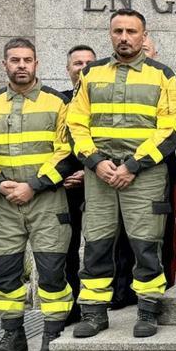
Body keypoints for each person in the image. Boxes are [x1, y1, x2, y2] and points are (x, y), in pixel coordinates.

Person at [67, 8, 176, 339]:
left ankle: (147, 309)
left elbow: (171, 129)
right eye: (118, 31)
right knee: (97, 243)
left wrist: (133, 164)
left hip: (144, 174)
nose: (124, 37)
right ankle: (93, 312)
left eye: (132, 31)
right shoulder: (91, 74)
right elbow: (75, 123)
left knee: (146, 243)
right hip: (99, 173)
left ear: (144, 37)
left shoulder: (163, 75)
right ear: (110, 34)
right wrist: (95, 161)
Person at [0, 38, 79, 351]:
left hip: (47, 202)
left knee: (51, 273)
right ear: (4, 64)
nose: (21, 65)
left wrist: (33, 185)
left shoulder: (57, 102)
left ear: (37, 64)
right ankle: (13, 336)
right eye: (14, 60)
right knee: (4, 274)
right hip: (5, 202)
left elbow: (68, 151)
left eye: (27, 60)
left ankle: (52, 333)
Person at [62, 45, 97, 322]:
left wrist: (90, 171)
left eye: (88, 62)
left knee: (101, 246)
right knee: (68, 248)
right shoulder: (58, 101)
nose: (82, 67)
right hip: (64, 185)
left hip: (98, 179)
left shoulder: (103, 99)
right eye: (77, 62)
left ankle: (105, 303)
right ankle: (72, 307)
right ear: (68, 68)